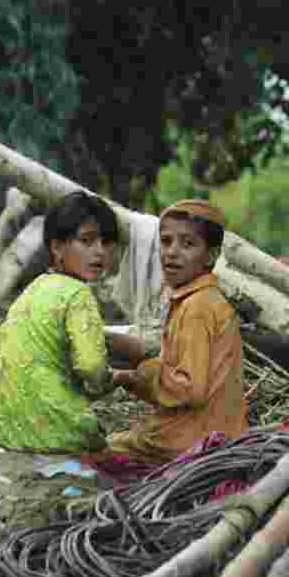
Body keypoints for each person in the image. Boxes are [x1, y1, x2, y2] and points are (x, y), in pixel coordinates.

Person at [0, 191, 119, 452]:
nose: (99, 251)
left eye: (105, 241)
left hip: (4, 429)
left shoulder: (33, 289)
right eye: (86, 241)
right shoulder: (79, 294)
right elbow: (92, 366)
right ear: (57, 247)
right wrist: (110, 382)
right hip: (59, 432)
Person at [107, 199, 248, 465]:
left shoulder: (197, 308)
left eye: (187, 244)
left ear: (211, 255)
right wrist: (130, 378)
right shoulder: (201, 299)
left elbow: (189, 389)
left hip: (194, 441)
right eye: (166, 241)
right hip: (218, 433)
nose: (171, 252)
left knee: (98, 448)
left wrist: (143, 374)